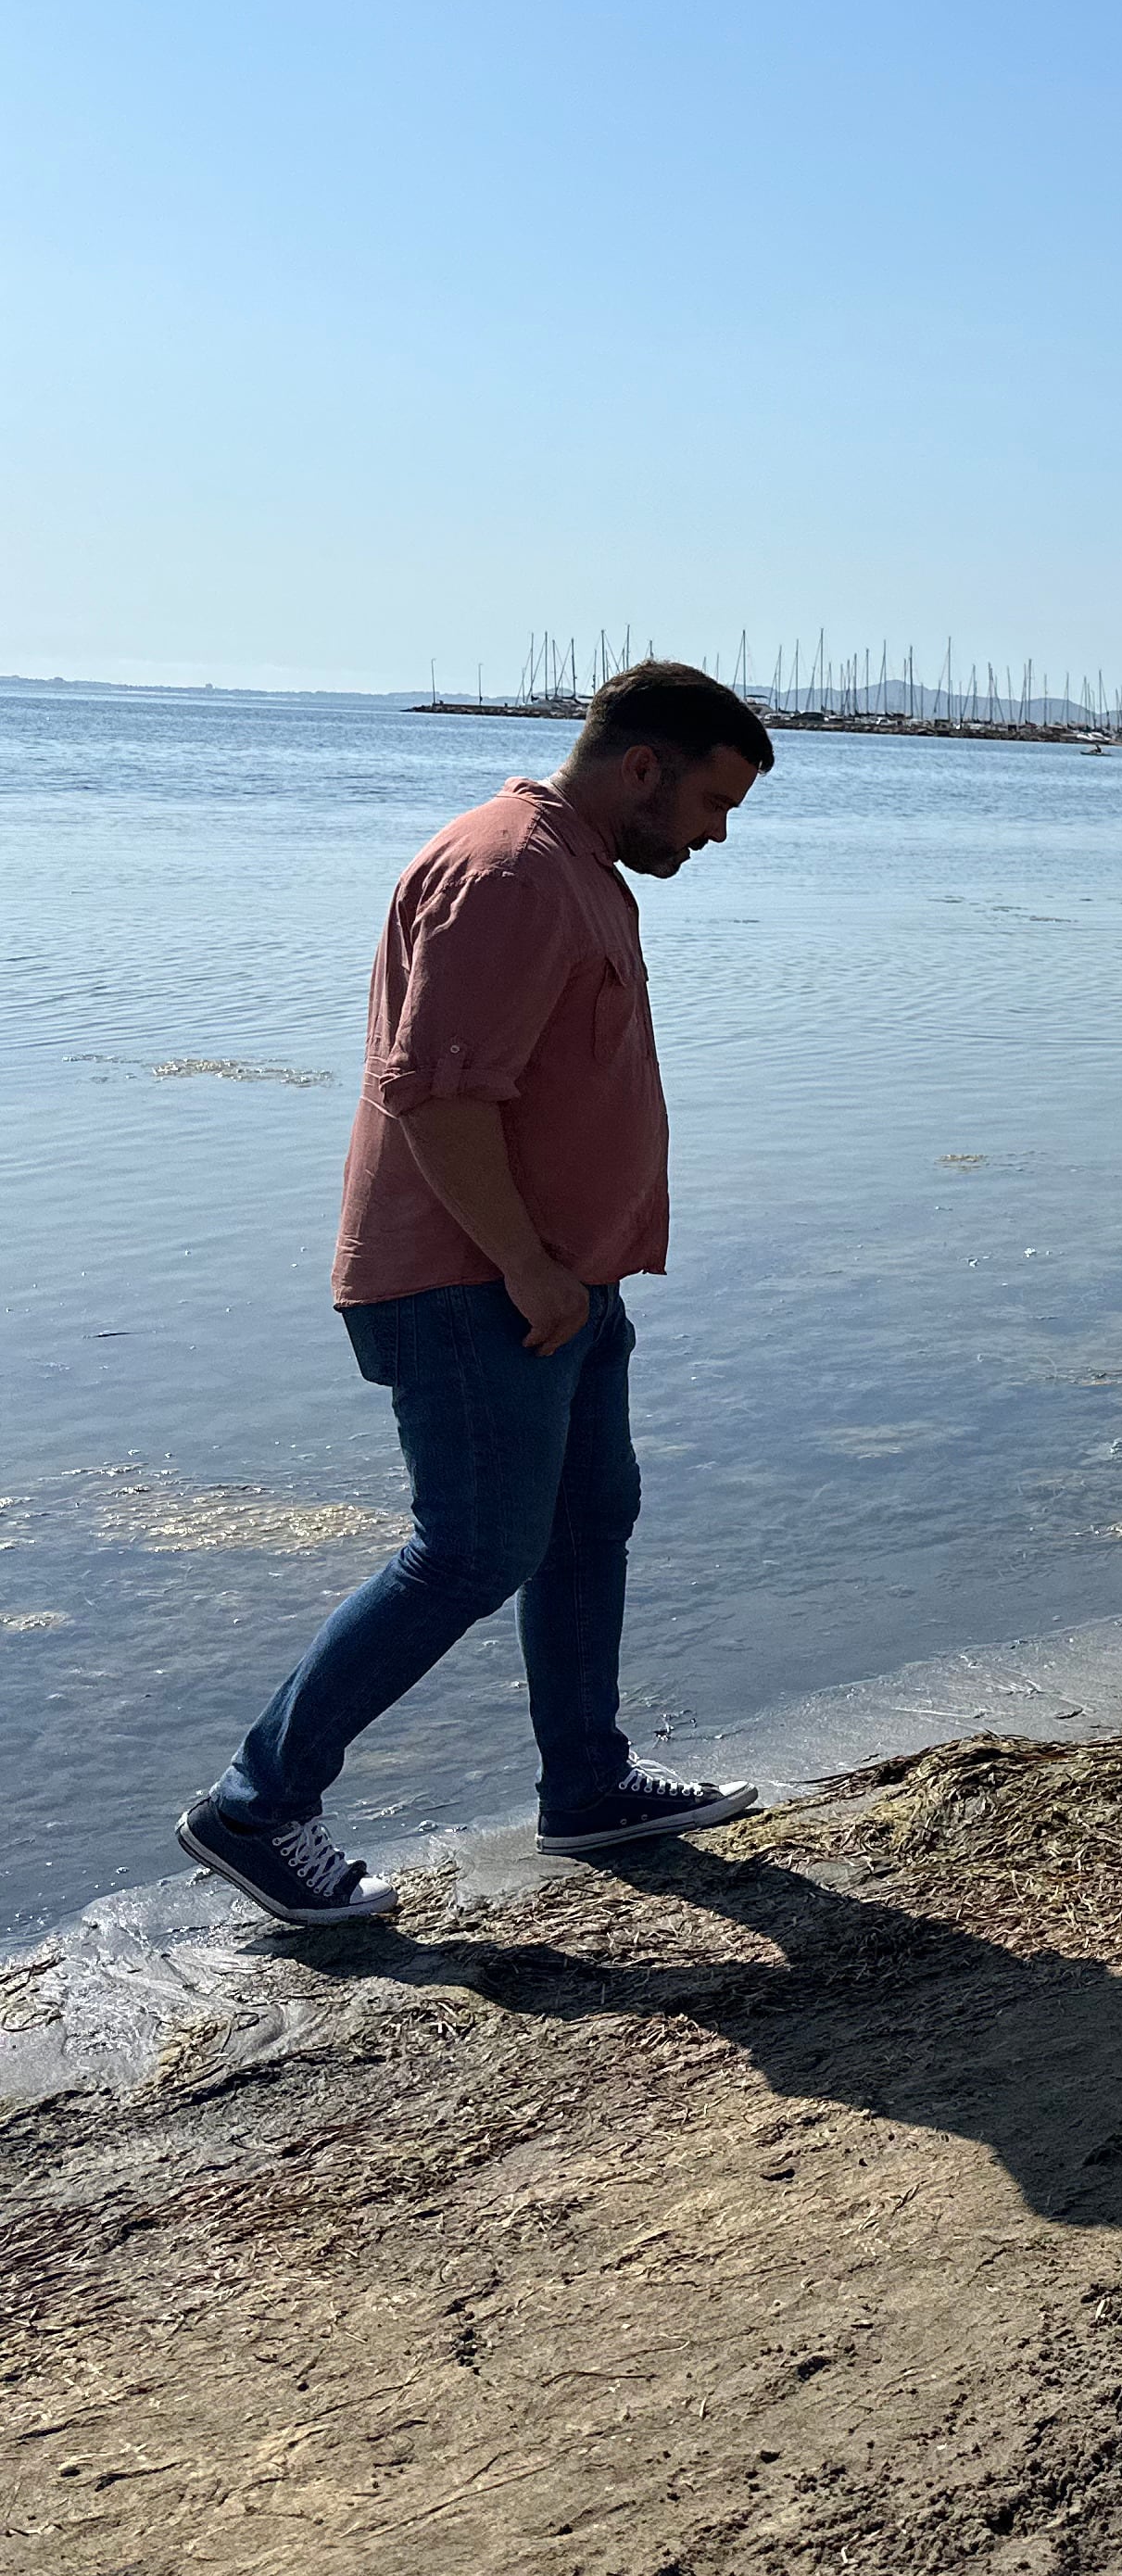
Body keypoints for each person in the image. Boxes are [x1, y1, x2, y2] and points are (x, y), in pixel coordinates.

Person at [175, 663, 777, 1925]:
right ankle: (257, 1805)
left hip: (559, 1283)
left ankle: (588, 1785)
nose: (719, 833)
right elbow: (437, 1096)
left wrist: (573, 1271)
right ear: (646, 768)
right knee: (471, 1550)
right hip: (477, 1286)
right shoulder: (506, 872)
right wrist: (524, 1265)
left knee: (584, 1521)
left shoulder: (576, 871)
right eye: (715, 801)